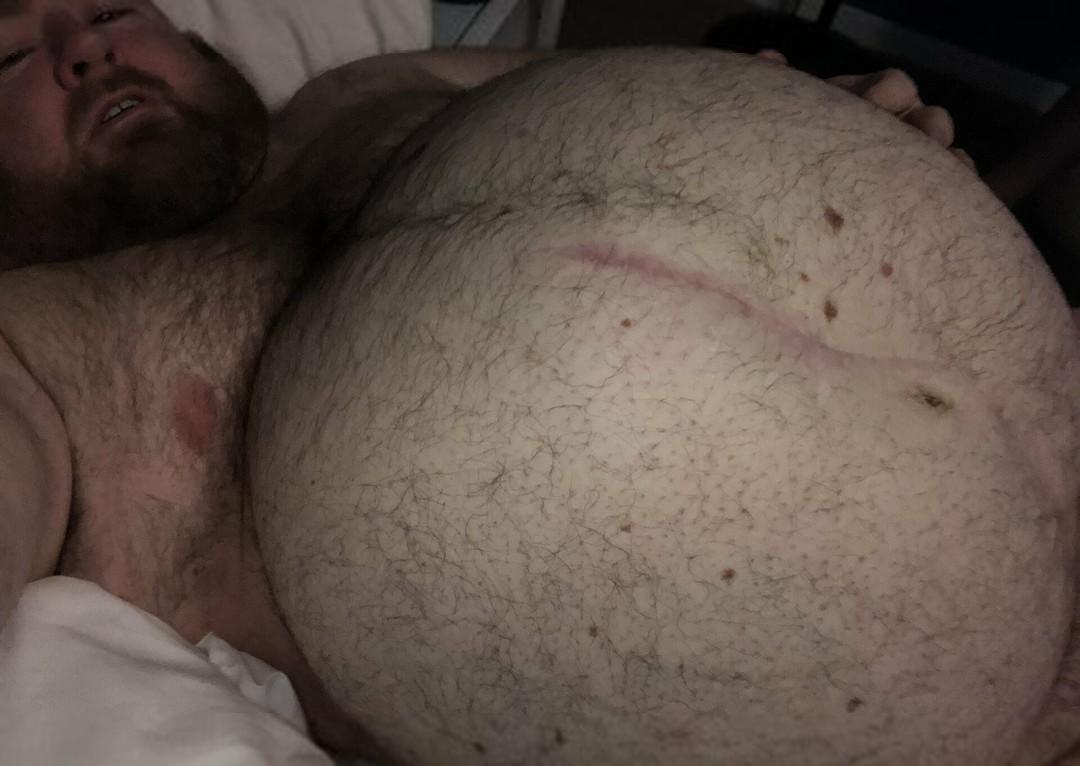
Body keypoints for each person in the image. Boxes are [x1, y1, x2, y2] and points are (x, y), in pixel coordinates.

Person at [0, 1, 1076, 764]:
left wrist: (830, 115)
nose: (84, 49)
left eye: (113, 10)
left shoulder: (363, 87)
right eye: (9, 55)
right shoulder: (44, 340)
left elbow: (674, 91)